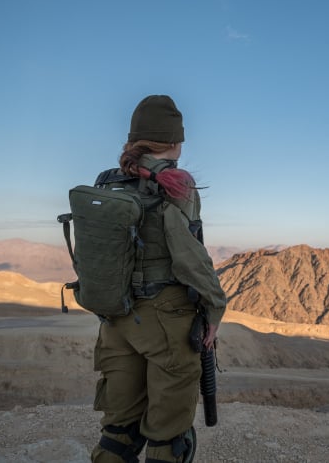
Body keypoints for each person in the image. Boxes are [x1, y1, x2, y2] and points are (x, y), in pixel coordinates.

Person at [90, 94, 227, 463]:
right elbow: (190, 256)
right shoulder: (175, 184)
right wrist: (215, 309)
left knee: (118, 435)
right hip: (166, 324)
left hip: (115, 320)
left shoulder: (107, 182)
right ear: (175, 142)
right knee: (169, 441)